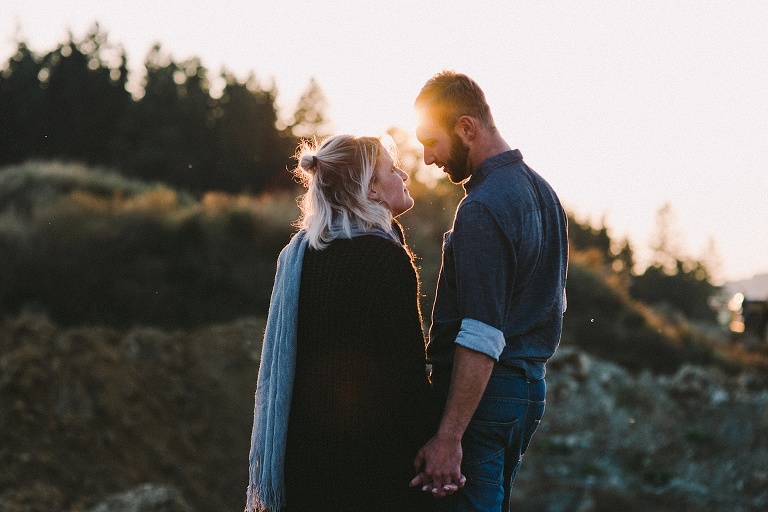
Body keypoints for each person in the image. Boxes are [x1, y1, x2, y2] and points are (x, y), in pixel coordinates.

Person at [245, 134, 444, 512]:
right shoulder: (385, 260)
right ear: (370, 191)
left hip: (304, 464)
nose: (403, 172)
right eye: (391, 169)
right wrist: (442, 440)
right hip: (369, 469)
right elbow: (405, 378)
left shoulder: (298, 257)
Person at [409, 71, 569, 511]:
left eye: (431, 141)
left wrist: (448, 436)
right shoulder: (545, 195)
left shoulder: (481, 207)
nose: (426, 159)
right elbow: (552, 305)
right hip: (525, 392)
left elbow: (482, 333)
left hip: (484, 398)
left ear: (466, 128)